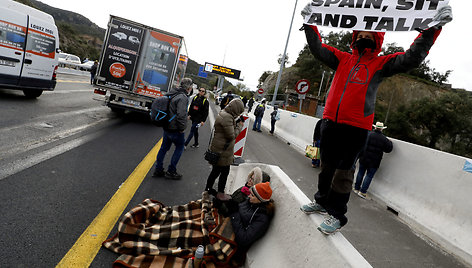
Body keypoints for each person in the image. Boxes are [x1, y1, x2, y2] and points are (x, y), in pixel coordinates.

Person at [299, 4, 452, 234]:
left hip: (356, 128)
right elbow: (318, 48)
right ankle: (321, 201)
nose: (363, 35)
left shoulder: (381, 64)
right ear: (354, 35)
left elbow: (411, 58)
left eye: (368, 33)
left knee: (344, 172)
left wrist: (431, 30)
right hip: (330, 121)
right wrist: (310, 24)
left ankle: (337, 215)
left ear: (378, 37)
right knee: (326, 166)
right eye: (359, 32)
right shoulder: (341, 58)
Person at [152, 78, 193, 180]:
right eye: (191, 87)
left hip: (167, 127)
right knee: (179, 147)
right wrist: (182, 128)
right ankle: (171, 171)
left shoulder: (172, 92)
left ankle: (158, 169)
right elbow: (181, 115)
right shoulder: (183, 97)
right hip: (175, 129)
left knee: (163, 148)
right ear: (188, 87)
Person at [205, 98, 245, 200]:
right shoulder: (227, 117)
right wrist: (240, 126)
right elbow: (231, 135)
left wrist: (235, 122)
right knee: (222, 172)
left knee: (217, 171)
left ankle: (209, 189)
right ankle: (218, 192)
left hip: (221, 149)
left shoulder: (225, 114)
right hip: (222, 151)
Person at [229, 182, 275, 266]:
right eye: (250, 193)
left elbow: (244, 239)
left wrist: (234, 214)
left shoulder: (262, 219)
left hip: (235, 246)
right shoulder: (250, 202)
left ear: (260, 199)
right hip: (230, 227)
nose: (249, 196)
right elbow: (238, 209)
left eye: (252, 195)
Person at [354, 122, 393, 199]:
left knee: (360, 172)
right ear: (381, 129)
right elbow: (388, 149)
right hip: (374, 161)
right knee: (369, 176)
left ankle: (356, 188)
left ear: (375, 127)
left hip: (364, 157)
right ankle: (363, 192)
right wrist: (390, 142)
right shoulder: (384, 139)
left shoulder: (368, 134)